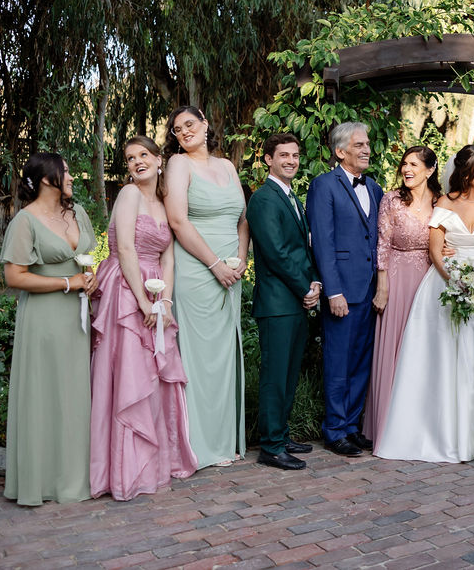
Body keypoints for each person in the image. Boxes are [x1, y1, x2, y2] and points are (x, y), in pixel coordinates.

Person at [375, 145, 474, 462]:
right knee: (444, 359)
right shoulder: (445, 202)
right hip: (445, 284)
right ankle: (447, 435)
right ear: (465, 172)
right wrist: (454, 281)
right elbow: (436, 251)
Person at [90, 136, 198, 498]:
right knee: (130, 377)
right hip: (126, 288)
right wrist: (141, 300)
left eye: (143, 155)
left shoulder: (164, 201)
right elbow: (123, 248)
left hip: (155, 291)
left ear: (158, 159)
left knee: (155, 376)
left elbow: (168, 257)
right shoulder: (129, 195)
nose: (137, 162)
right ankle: (123, 472)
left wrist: (164, 302)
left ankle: (153, 463)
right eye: (130, 157)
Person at [1, 153, 97, 505]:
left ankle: (76, 477)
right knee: (46, 395)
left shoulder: (77, 213)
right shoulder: (25, 221)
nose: (71, 176)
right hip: (44, 319)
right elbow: (15, 277)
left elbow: (87, 258)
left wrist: (91, 279)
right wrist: (67, 283)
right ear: (46, 178)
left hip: (78, 318)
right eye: (66, 171)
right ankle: (41, 480)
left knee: (75, 396)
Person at [164, 105, 249, 468]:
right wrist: (214, 264)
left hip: (231, 275)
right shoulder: (179, 165)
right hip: (198, 271)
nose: (184, 132)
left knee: (224, 356)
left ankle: (222, 440)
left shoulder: (228, 166)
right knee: (199, 360)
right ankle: (197, 446)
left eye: (189, 124)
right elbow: (178, 222)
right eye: (177, 129)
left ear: (205, 124)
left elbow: (243, 221)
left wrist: (241, 259)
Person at [306, 122, 384, 457]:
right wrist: (333, 292)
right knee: (338, 362)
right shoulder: (324, 185)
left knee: (361, 361)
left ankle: (352, 426)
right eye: (359, 145)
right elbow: (323, 242)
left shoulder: (376, 189)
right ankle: (335, 429)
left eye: (367, 144)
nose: (367, 149)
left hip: (369, 289)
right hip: (342, 291)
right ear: (341, 151)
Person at [246, 133, 320, 470]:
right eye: (283, 155)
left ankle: (282, 433)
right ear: (268, 160)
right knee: (275, 375)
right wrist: (305, 288)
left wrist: (314, 282)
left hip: (295, 299)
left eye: (295, 155)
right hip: (277, 302)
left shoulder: (292, 198)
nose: (291, 160)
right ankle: (271, 446)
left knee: (289, 373)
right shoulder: (263, 199)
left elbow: (302, 249)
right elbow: (275, 253)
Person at [364, 145, 440, 447]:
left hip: (431, 278)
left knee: (425, 350)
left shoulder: (441, 202)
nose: (407, 170)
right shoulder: (392, 199)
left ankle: (421, 425)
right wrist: (382, 285)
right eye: (404, 164)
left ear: (430, 170)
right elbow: (381, 243)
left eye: (414, 165)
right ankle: (386, 426)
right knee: (394, 349)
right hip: (396, 276)